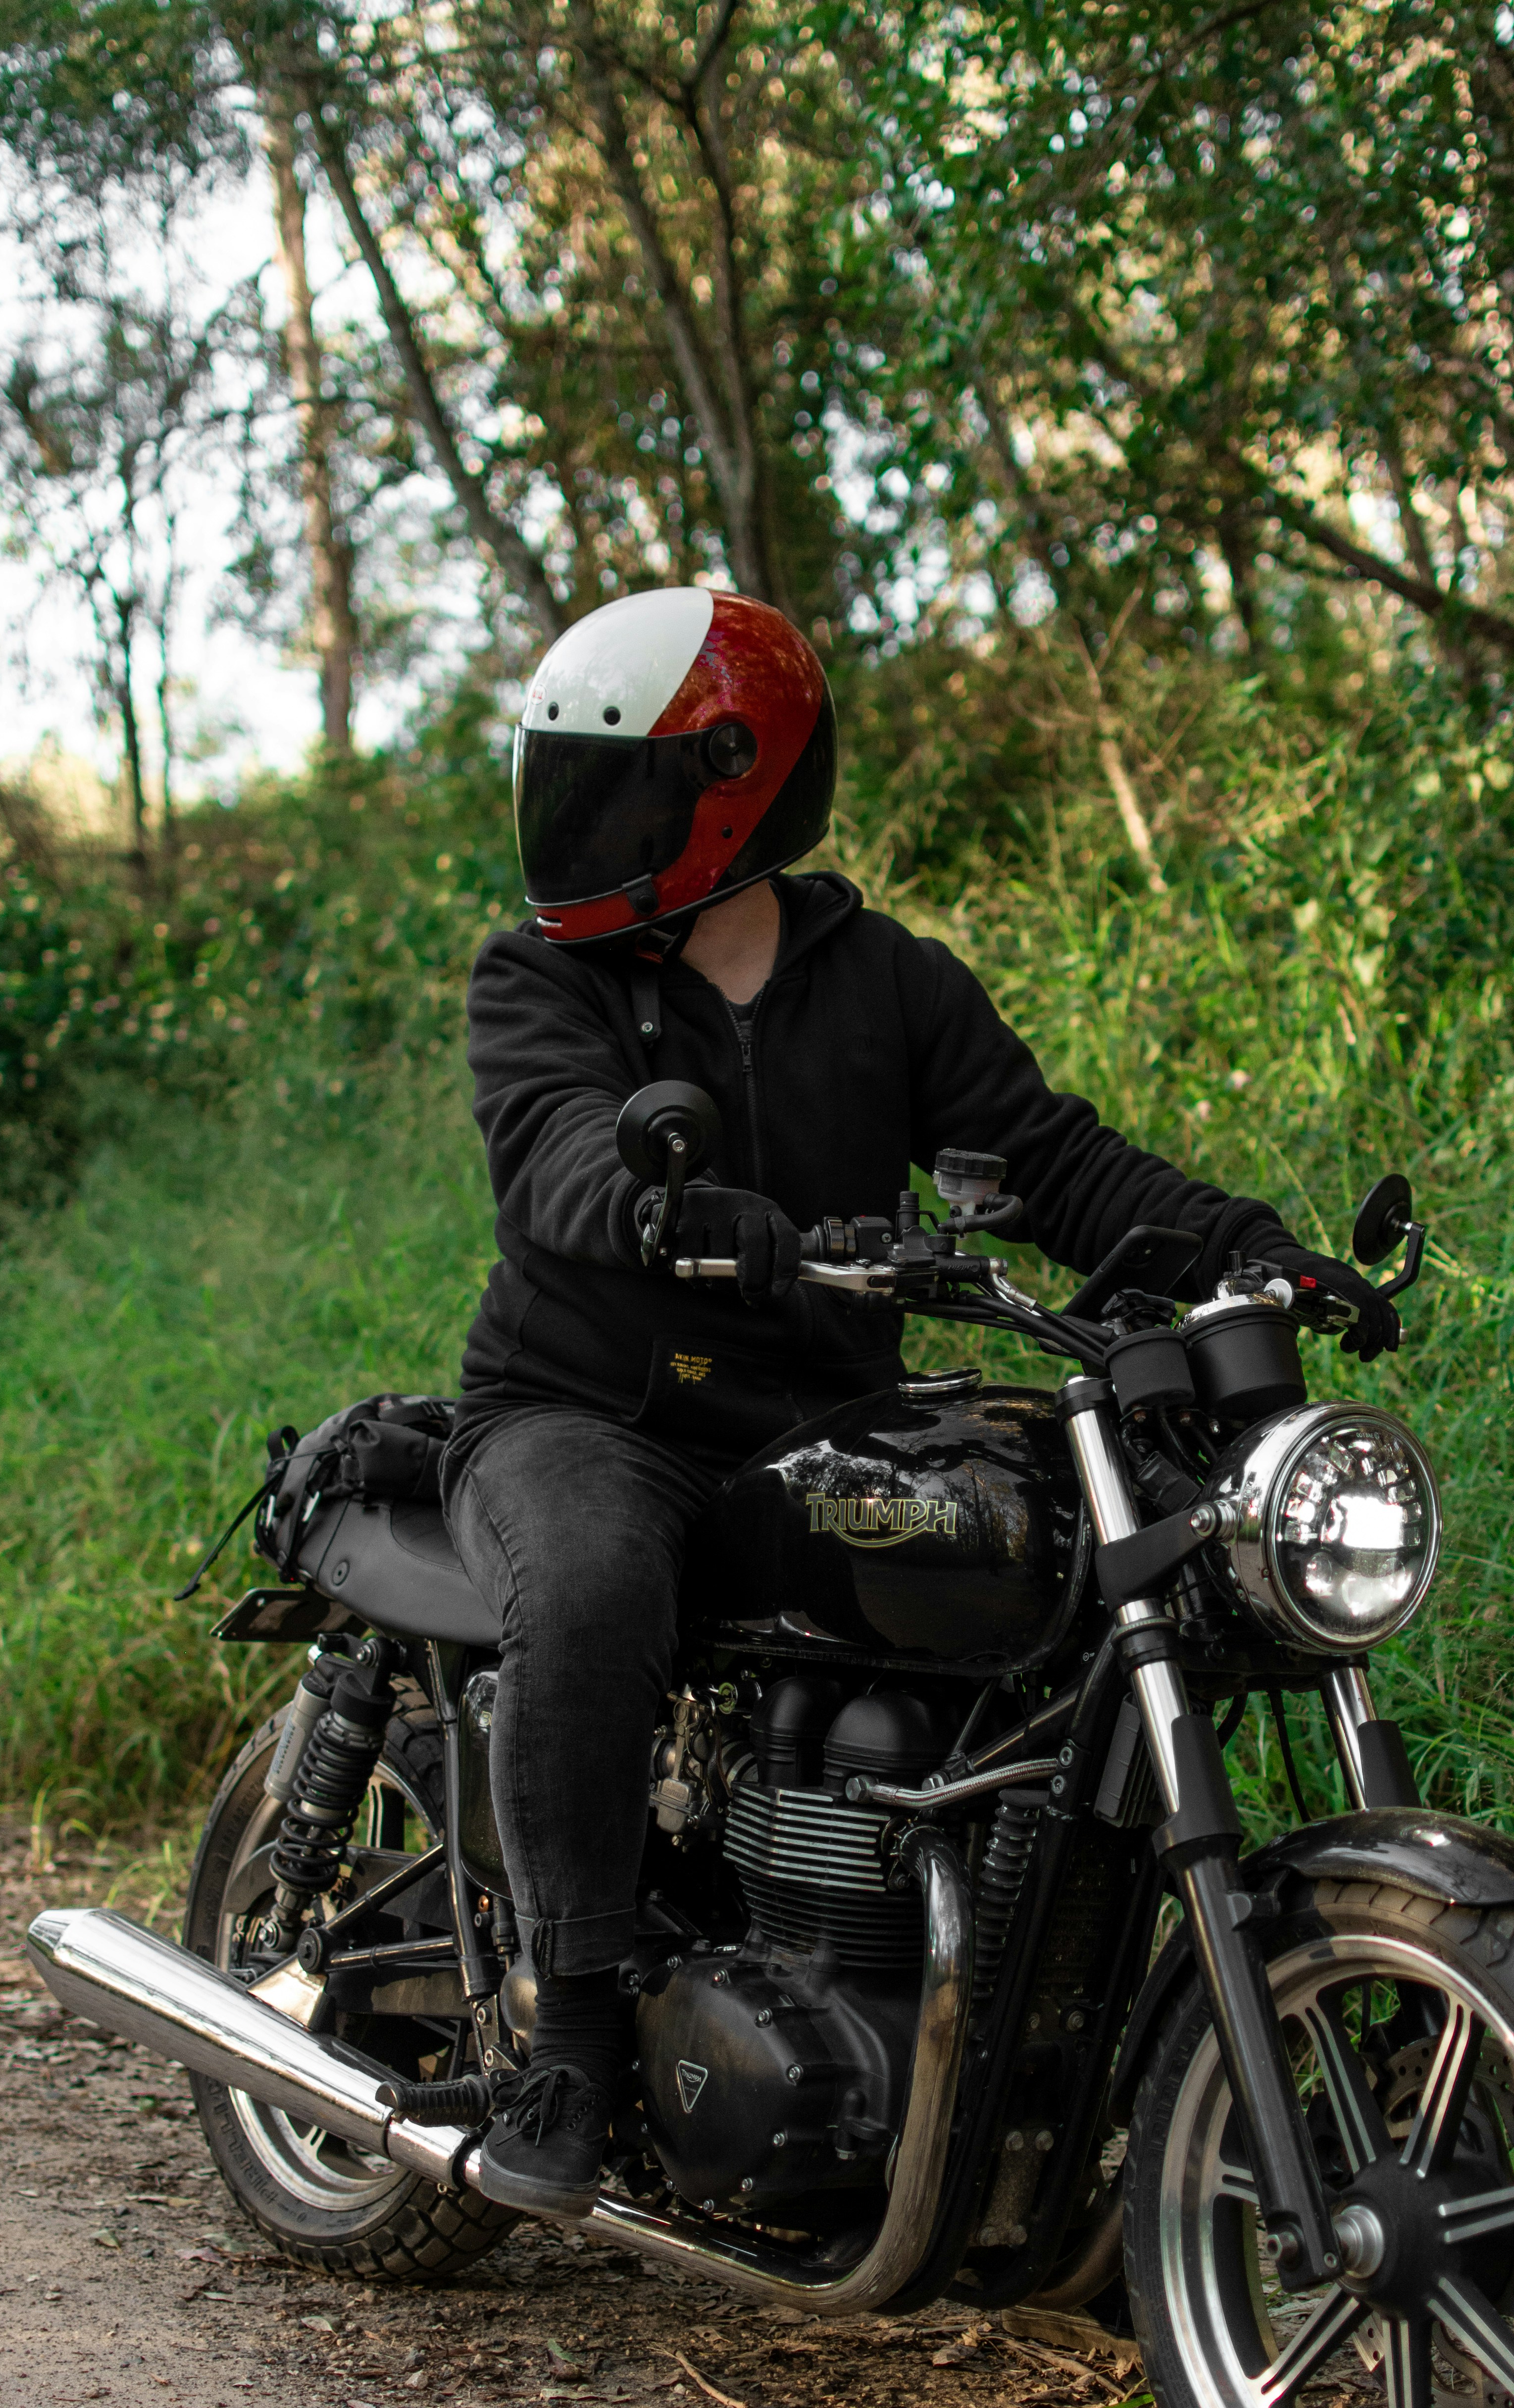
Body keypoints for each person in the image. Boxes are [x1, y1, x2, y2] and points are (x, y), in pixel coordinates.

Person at [443, 586, 1398, 2217]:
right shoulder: (546, 982)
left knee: (1044, 1592)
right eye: (569, 783)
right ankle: (576, 2034)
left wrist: (1255, 1251)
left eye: (619, 789)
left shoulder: (887, 980)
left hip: (814, 1434)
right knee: (595, 1583)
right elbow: (556, 1157)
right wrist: (666, 1204)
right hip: (589, 1413)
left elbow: (1057, 1162)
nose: (583, 825)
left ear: (731, 787)